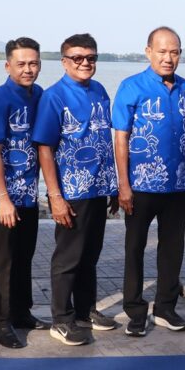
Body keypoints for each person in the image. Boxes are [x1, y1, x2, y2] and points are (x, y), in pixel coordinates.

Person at [113, 26, 185, 336]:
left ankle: (165, 308)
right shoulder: (131, 87)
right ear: (148, 51)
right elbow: (121, 138)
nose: (168, 58)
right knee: (135, 249)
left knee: (172, 249)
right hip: (140, 186)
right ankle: (135, 311)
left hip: (177, 186)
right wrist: (123, 184)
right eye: (162, 51)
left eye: (174, 52)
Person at [34, 34, 119, 346]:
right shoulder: (53, 96)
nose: (85, 63)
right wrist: (55, 196)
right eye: (78, 58)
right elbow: (45, 148)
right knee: (68, 258)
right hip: (71, 191)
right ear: (64, 61)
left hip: (99, 188)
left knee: (90, 255)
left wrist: (113, 187)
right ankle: (62, 318)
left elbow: (104, 141)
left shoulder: (99, 91)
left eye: (91, 57)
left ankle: (85, 311)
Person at [0, 37, 50, 348]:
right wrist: (3, 198)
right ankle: (2, 322)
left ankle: (22, 312)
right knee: (4, 261)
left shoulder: (40, 95)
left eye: (33, 63)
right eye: (21, 64)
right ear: (7, 65)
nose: (28, 69)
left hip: (29, 194)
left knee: (25, 256)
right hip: (5, 198)